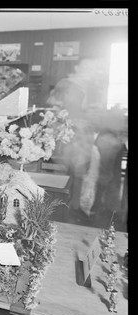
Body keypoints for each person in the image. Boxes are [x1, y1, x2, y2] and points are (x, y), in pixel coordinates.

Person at [47, 57, 125, 226]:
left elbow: (90, 112)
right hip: (69, 135)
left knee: (86, 172)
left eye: (92, 67)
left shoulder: (91, 86)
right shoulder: (66, 84)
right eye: (87, 66)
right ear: (77, 67)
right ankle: (66, 209)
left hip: (86, 136)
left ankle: (83, 208)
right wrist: (70, 122)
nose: (90, 70)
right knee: (72, 173)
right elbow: (53, 106)